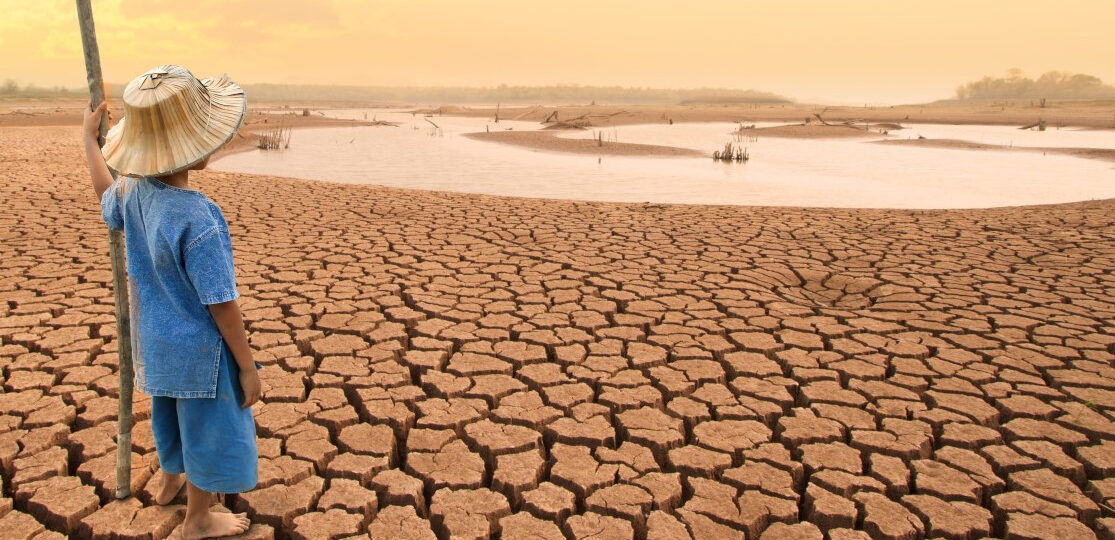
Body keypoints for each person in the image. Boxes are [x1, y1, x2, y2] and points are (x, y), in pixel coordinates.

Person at [82, 65, 260, 540]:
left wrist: (90, 143)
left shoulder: (134, 194)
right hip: (200, 354)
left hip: (153, 345)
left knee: (168, 417)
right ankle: (197, 519)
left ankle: (168, 481)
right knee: (206, 430)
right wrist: (245, 365)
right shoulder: (198, 217)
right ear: (198, 149)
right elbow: (221, 302)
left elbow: (106, 193)